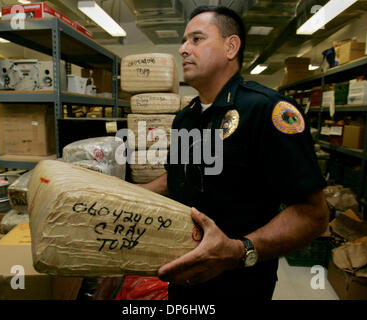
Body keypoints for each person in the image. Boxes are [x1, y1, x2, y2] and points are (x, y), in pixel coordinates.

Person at [140, 5, 330, 300]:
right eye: (183, 41)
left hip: (241, 283)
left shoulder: (266, 110)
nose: (183, 49)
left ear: (231, 46)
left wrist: (238, 251)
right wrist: (127, 192)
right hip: (183, 278)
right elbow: (176, 177)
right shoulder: (185, 118)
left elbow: (313, 215)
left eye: (196, 39)